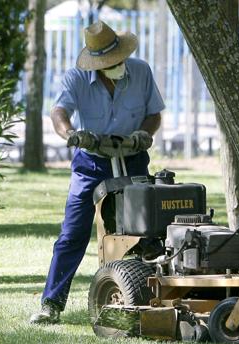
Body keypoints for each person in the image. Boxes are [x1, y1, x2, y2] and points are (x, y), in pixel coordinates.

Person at [29, 21, 164, 324]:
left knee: (144, 231)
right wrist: (71, 134)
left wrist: (143, 134)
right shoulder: (76, 78)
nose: (116, 66)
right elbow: (58, 111)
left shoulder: (140, 71)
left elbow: (154, 114)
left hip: (132, 160)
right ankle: (51, 304)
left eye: (118, 60)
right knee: (73, 233)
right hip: (90, 162)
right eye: (108, 63)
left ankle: (148, 299)